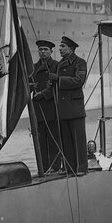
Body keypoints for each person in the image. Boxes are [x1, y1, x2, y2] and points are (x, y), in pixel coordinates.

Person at [49, 36, 88, 176]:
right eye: (60, 46)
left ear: (71, 49)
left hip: (75, 108)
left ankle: (82, 168)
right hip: (63, 109)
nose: (59, 49)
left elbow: (79, 81)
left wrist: (59, 79)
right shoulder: (60, 64)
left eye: (62, 46)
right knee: (66, 142)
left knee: (79, 141)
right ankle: (69, 168)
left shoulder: (80, 63)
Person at [30, 40, 61, 173]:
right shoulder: (33, 67)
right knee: (41, 141)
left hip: (51, 107)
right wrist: (31, 88)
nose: (43, 52)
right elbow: (28, 84)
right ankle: (43, 168)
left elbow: (57, 86)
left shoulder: (56, 66)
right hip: (38, 110)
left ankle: (54, 167)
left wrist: (43, 94)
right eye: (41, 49)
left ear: (51, 52)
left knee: (53, 139)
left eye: (45, 49)